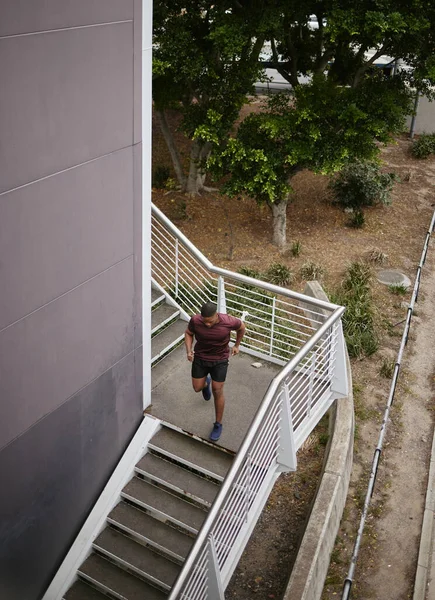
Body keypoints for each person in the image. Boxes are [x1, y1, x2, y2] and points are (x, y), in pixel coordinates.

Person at [184, 301, 246, 442]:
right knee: (196, 388)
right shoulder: (195, 320)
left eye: (210, 322)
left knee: (218, 390)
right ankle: (205, 384)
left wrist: (237, 345)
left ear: (216, 315)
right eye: (205, 322)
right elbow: (188, 333)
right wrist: (189, 351)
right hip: (200, 357)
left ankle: (218, 424)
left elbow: (241, 328)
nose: (207, 325)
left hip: (220, 359)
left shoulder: (228, 321)